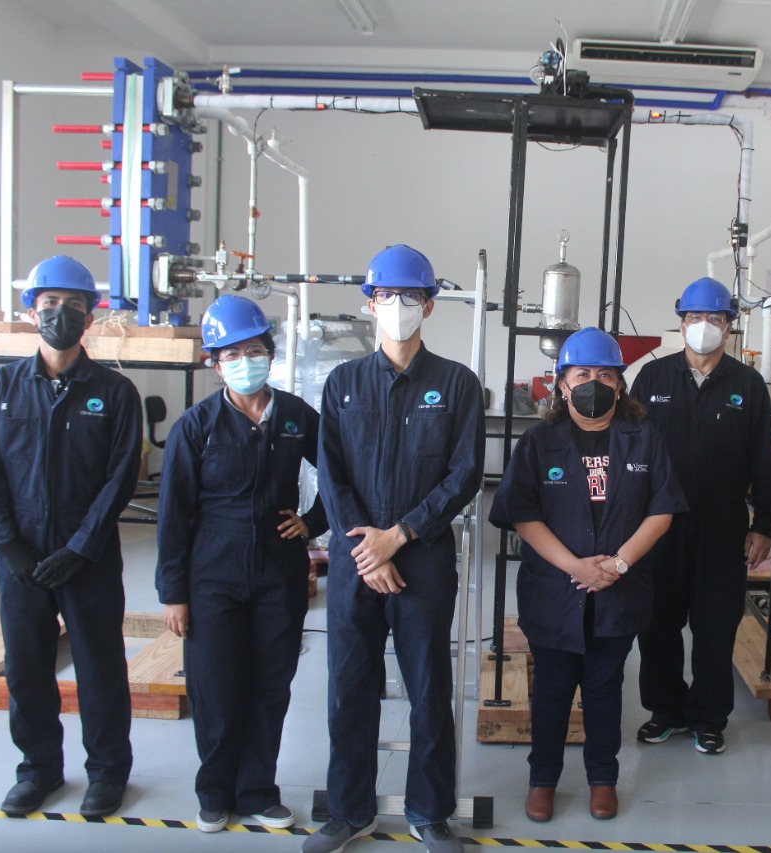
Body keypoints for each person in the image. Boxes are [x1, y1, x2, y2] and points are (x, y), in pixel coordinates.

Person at [308, 245, 484, 853]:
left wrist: (399, 536)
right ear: (370, 304)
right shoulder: (344, 384)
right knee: (349, 687)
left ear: (429, 306)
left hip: (423, 558)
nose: (398, 306)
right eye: (387, 296)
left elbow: (464, 474)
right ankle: (349, 811)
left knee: (429, 688)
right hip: (356, 560)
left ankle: (429, 812)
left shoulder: (457, 384)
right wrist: (367, 549)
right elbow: (331, 474)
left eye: (411, 297)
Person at [490, 327, 686, 823]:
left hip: (619, 591)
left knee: (604, 689)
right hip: (555, 591)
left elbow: (661, 511)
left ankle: (603, 779)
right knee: (551, 691)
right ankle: (542, 781)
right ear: (561, 385)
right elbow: (522, 515)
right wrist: (576, 567)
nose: (593, 383)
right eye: (581, 374)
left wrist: (618, 564)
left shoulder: (644, 439)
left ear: (619, 385)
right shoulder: (538, 443)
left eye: (604, 374)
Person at [0, 255, 141, 818]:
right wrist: (8, 546)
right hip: (21, 554)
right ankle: (38, 770)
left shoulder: (115, 392)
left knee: (99, 666)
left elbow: (119, 480)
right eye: (49, 304)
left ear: (89, 317)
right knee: (26, 666)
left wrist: (80, 547)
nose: (60, 313)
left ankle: (107, 773)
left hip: (87, 555)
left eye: (72, 305)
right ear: (32, 312)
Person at [155, 295, 328, 833]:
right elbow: (173, 514)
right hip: (213, 571)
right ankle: (214, 792)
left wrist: (313, 522)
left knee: (271, 685)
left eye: (253, 350)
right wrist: (173, 593)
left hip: (279, 570)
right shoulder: (196, 426)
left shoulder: (296, 417)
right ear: (214, 364)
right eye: (231, 354)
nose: (244, 361)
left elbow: (341, 474)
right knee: (215, 687)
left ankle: (257, 791)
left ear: (270, 354)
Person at [632, 277, 771, 754]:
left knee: (716, 627)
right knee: (657, 624)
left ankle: (709, 718)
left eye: (714, 318)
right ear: (681, 323)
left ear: (728, 326)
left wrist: (763, 525)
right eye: (695, 317)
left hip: (722, 527)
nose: (704, 325)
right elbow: (630, 453)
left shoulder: (748, 385)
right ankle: (665, 711)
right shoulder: (652, 378)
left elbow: (764, 460)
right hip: (659, 526)